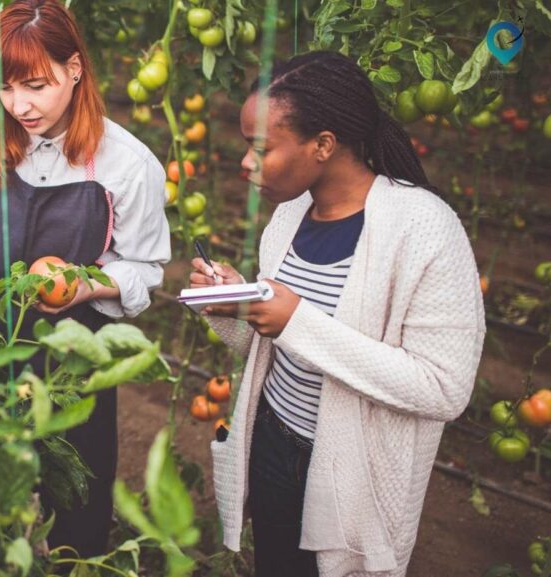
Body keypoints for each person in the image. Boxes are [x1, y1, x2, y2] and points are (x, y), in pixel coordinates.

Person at [191, 51, 485, 577]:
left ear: (323, 144)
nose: (245, 163)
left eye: (261, 149)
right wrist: (239, 306)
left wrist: (295, 319)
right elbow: (276, 349)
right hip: (273, 442)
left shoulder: (423, 228)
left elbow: (444, 388)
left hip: (351, 470)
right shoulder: (286, 218)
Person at [0, 0, 171, 558]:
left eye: (36, 85)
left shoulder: (128, 165)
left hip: (75, 361)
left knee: (77, 500)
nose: (20, 105)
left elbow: (145, 269)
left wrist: (87, 285)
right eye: (6, 89)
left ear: (76, 69)